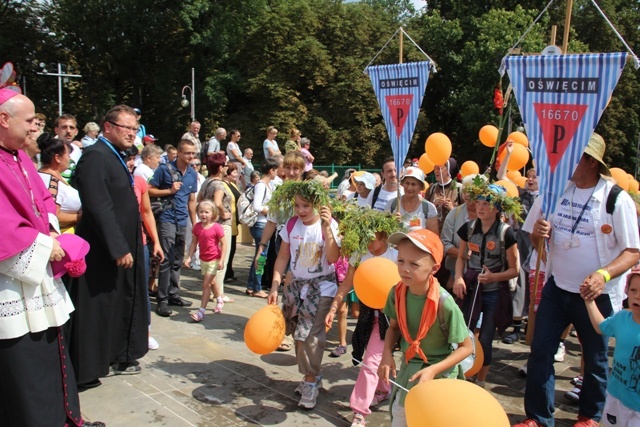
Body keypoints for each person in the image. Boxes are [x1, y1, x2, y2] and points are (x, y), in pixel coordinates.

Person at [514, 133, 640, 427]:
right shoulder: (554, 191)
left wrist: (603, 274)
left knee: (595, 358)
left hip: (597, 294)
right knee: (541, 351)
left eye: (572, 156)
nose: (563, 162)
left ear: (591, 161)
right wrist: (538, 234)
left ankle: (590, 416)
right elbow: (534, 237)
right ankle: (538, 417)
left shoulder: (615, 198)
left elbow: (633, 251)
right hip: (557, 288)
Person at [0, 88, 104, 427]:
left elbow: (43, 202)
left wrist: (54, 232)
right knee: (27, 370)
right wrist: (47, 245)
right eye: (30, 121)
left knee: (52, 354)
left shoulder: (19, 158)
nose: (36, 128)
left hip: (38, 277)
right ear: (4, 119)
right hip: (14, 284)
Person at [69, 104, 149, 387]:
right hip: (103, 251)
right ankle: (87, 368)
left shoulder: (113, 155)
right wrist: (118, 246)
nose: (132, 133)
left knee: (120, 303)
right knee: (97, 309)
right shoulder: (95, 156)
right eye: (126, 127)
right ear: (108, 127)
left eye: (134, 128)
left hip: (122, 245)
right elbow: (99, 205)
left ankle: (118, 354)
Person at [378, 229, 472, 426]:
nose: (405, 269)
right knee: (401, 417)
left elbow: (466, 347)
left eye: (414, 264)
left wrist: (432, 370)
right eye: (401, 261)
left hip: (439, 378)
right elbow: (393, 328)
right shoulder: (396, 293)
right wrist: (386, 354)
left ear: (434, 268)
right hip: (408, 372)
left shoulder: (445, 304)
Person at [267, 180, 341, 410]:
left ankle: (310, 381)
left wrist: (328, 228)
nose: (300, 211)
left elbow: (332, 258)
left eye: (306, 205)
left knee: (311, 336)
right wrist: (275, 285)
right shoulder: (291, 225)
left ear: (318, 204)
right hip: (296, 289)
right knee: (298, 336)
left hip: (323, 289)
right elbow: (282, 257)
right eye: (297, 205)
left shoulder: (328, 225)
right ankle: (312, 375)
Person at [325, 230, 398, 427]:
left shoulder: (395, 256)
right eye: (365, 239)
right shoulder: (360, 255)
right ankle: (383, 390)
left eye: (373, 239)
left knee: (370, 363)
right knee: (374, 360)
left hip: (391, 319)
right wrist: (333, 307)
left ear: (384, 237)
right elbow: (347, 283)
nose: (369, 244)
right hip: (368, 318)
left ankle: (359, 412)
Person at [453, 182, 520, 388]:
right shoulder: (469, 228)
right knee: (463, 333)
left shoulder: (505, 233)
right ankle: (462, 374)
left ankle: (480, 380)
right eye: (479, 203)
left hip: (493, 292)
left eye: (487, 204)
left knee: (486, 337)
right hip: (471, 287)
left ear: (498, 208)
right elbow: (462, 257)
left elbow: (514, 269)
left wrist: (493, 277)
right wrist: (458, 277)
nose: (481, 208)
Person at [584, 267, 640, 427]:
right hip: (616, 396)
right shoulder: (622, 318)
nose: (637, 296)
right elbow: (601, 327)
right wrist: (589, 301)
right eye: (633, 290)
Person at [149, 139, 198, 317]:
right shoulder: (164, 169)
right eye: (187, 153)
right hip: (167, 218)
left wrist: (195, 224)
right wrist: (168, 191)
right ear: (178, 152)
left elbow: (191, 201)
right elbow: (149, 190)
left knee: (177, 259)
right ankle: (162, 299)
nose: (191, 156)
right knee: (165, 259)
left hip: (183, 221)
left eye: (193, 153)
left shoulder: (192, 173)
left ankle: (173, 294)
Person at [126, 147, 164, 351]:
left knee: (141, 288)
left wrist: (156, 241)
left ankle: (146, 332)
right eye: (127, 159)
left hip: (139, 242)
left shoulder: (139, 182)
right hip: (119, 243)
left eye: (132, 159)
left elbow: (147, 212)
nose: (131, 163)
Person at [199, 152, 234, 303]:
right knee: (221, 260)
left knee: (213, 258)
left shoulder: (206, 182)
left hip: (209, 225)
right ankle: (219, 294)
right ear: (220, 167)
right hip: (221, 225)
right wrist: (222, 212)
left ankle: (215, 291)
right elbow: (218, 202)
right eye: (225, 165)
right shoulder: (219, 184)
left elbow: (200, 199)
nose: (226, 167)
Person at [184, 200, 226, 321]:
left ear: (213, 214)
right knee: (212, 282)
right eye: (201, 212)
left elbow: (224, 244)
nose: (203, 214)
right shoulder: (197, 227)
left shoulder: (217, 228)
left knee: (205, 284)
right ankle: (219, 300)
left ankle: (201, 312)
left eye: (206, 212)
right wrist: (189, 257)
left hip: (214, 259)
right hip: (203, 259)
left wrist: (222, 260)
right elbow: (194, 242)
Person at [440, 174, 481, 289]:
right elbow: (444, 243)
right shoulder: (455, 213)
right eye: (464, 191)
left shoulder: (487, 215)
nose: (467, 195)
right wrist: (463, 254)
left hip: (483, 273)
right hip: (457, 271)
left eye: (471, 191)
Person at [37, 132, 82, 233]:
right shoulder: (49, 181)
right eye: (67, 155)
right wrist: (80, 217)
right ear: (57, 158)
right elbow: (53, 215)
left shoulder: (54, 178)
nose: (70, 159)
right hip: (60, 236)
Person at [246, 159, 278, 297]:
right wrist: (272, 213)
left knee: (259, 255)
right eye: (276, 170)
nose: (277, 173)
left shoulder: (268, 185)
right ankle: (257, 288)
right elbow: (257, 206)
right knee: (261, 256)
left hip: (264, 223)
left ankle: (252, 286)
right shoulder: (261, 185)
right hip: (261, 224)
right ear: (271, 170)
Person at [385, 166, 438, 234]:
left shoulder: (429, 208)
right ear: (402, 184)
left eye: (413, 184)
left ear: (421, 187)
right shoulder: (391, 205)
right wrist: (391, 222)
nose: (409, 188)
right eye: (407, 183)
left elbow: (433, 238)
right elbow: (383, 235)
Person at [426, 157, 462, 231]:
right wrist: (433, 205)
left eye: (439, 168)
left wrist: (451, 208)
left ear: (448, 170)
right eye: (435, 168)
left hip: (452, 234)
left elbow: (466, 214)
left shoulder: (459, 188)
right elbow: (423, 211)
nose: (435, 171)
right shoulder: (432, 188)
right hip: (434, 233)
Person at [222, 162, 241, 282]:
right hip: (227, 220)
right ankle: (224, 273)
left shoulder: (233, 184)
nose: (236, 174)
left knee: (232, 248)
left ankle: (229, 271)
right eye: (234, 172)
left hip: (234, 220)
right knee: (227, 247)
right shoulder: (223, 185)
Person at [54, 114, 82, 180]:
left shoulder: (77, 150)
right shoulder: (49, 149)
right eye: (64, 127)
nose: (68, 131)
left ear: (76, 132)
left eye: (71, 128)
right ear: (56, 130)